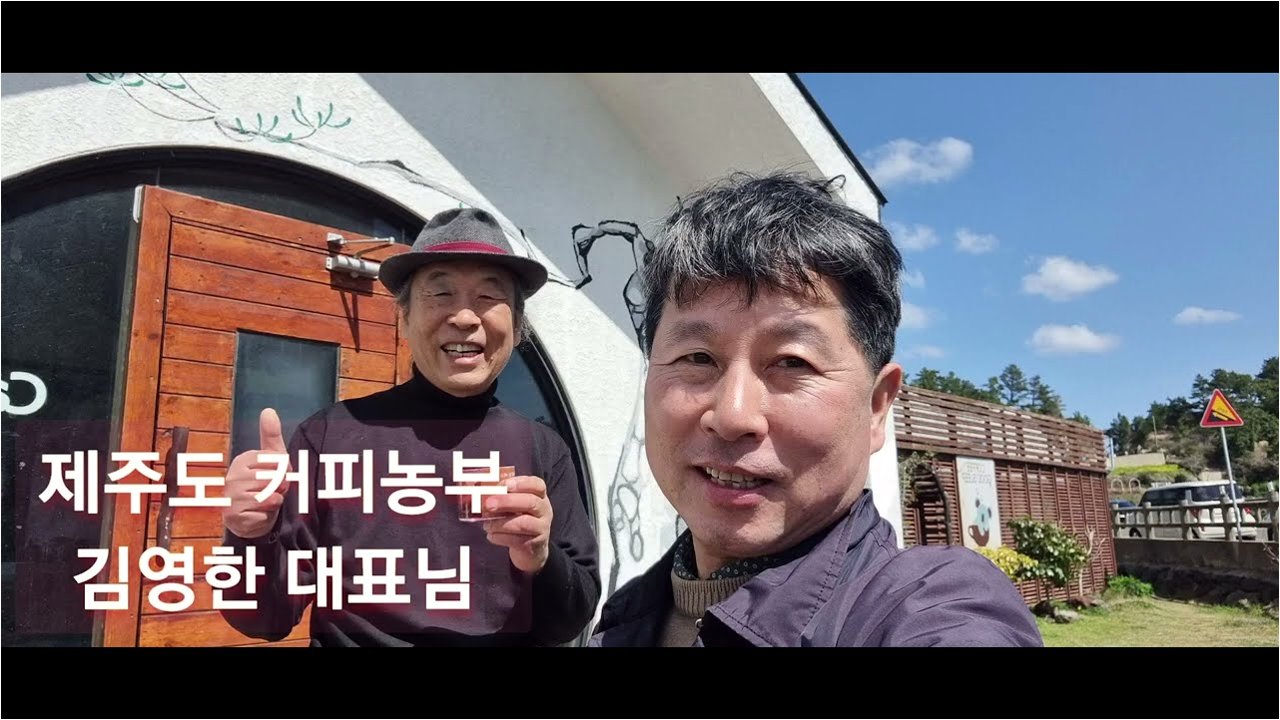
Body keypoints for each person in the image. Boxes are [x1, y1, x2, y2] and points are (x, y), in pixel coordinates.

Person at [590, 172, 1042, 647]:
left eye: (792, 362)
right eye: (697, 358)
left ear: (877, 406)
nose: (733, 415)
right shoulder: (625, 618)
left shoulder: (932, 608)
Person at [220, 208, 600, 646]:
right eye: (440, 294)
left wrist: (541, 557)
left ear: (516, 327)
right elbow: (264, 619)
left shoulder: (542, 449)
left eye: (487, 296)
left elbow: (572, 620)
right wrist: (250, 537)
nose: (464, 317)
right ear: (403, 319)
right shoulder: (330, 437)